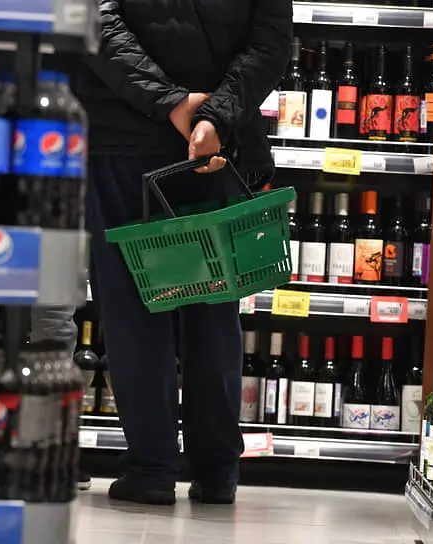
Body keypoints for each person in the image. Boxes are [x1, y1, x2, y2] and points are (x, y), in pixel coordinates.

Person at [75, 0, 292, 505]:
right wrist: (214, 117)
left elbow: (97, 22)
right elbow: (270, 43)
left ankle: (151, 470)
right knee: (213, 304)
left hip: (124, 137)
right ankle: (216, 470)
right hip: (215, 147)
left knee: (133, 311)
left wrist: (172, 103)